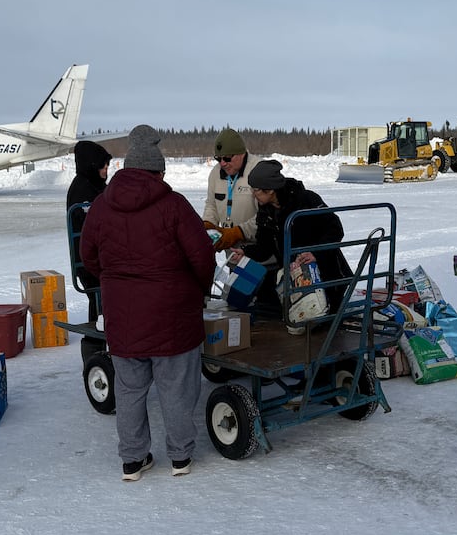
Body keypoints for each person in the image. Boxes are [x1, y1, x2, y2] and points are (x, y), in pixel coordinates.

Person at [79, 125, 216, 481]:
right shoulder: (174, 205)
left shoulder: (100, 206)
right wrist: (199, 290)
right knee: (176, 389)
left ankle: (132, 461)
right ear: (158, 171)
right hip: (173, 316)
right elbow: (202, 257)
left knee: (129, 391)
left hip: (123, 318)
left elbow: (88, 256)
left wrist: (113, 281)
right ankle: (180, 458)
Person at [242, 159, 352, 316]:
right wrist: (245, 252)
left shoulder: (307, 200)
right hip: (296, 278)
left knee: (322, 326)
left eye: (256, 190)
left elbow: (335, 229)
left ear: (270, 190)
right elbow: (264, 248)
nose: (253, 194)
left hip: (327, 275)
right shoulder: (266, 211)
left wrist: (315, 254)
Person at [66, 140, 112, 324]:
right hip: (90, 260)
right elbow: (95, 224)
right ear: (92, 165)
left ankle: (99, 335)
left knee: (101, 297)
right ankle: (97, 339)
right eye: (103, 166)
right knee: (100, 297)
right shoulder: (83, 189)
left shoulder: (96, 185)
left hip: (94, 257)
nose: (106, 170)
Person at [202, 128, 261, 251]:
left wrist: (237, 233)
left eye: (227, 158)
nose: (222, 163)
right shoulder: (215, 173)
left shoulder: (258, 171)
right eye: (218, 159)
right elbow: (212, 205)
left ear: (241, 153)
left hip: (260, 253)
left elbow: (266, 216)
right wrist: (208, 225)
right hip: (232, 254)